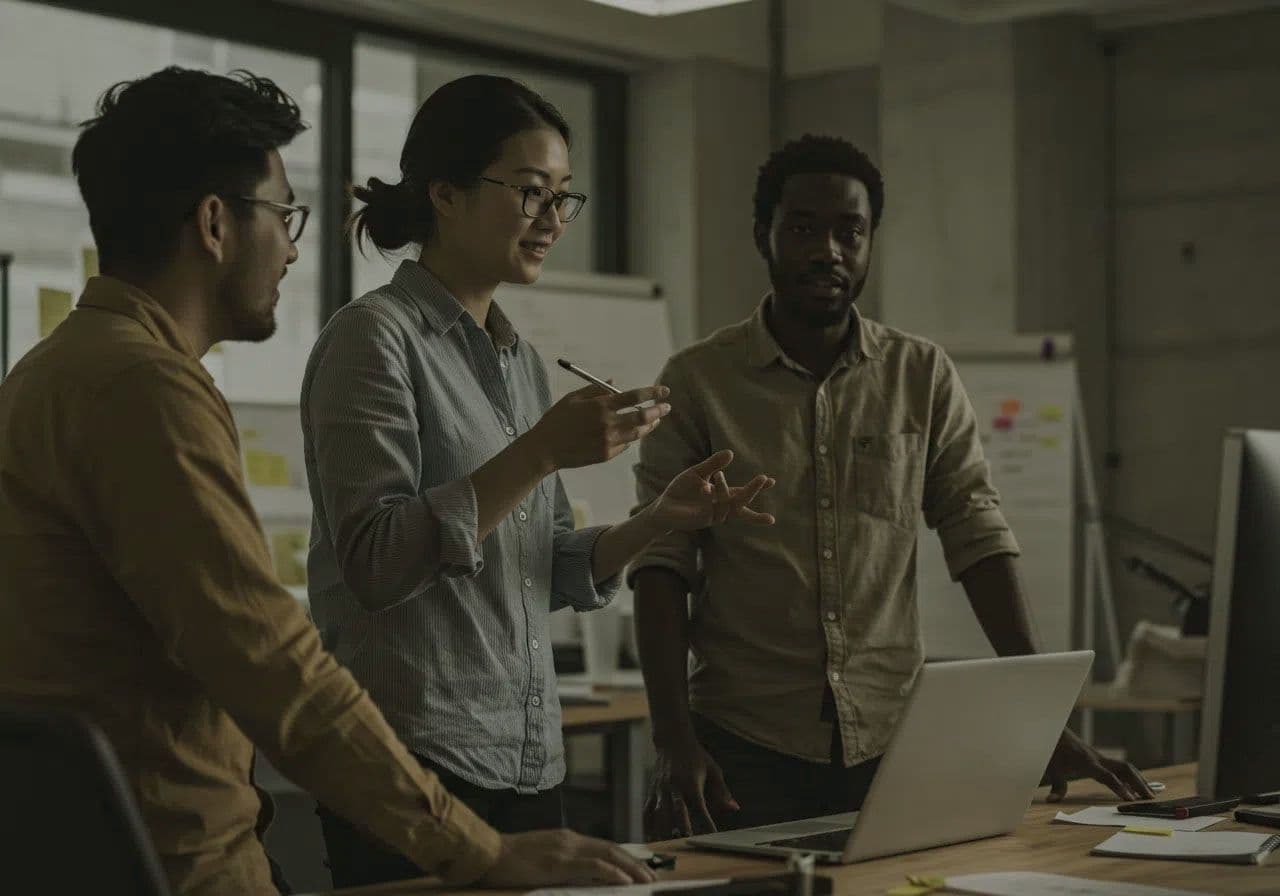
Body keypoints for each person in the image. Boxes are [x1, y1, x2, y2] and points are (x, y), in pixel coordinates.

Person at [0, 67, 658, 896]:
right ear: (214, 223)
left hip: (112, 843)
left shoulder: (55, 371)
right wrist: (474, 850)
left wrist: (657, 522)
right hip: (162, 856)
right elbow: (272, 658)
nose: (294, 243)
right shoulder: (145, 388)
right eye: (282, 214)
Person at [301, 74, 775, 888]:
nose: (554, 220)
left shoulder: (517, 360)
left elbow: (548, 564)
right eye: (530, 193)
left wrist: (661, 517)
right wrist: (542, 453)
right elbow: (374, 562)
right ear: (445, 194)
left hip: (526, 757)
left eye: (564, 197)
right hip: (412, 765)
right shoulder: (372, 341)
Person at [628, 134, 1155, 840]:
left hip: (890, 743)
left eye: (850, 231)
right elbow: (662, 564)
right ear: (765, 236)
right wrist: (672, 738)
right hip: (739, 745)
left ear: (871, 241)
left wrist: (1038, 718)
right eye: (804, 229)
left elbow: (976, 532)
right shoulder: (698, 382)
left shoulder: (921, 375)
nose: (829, 251)